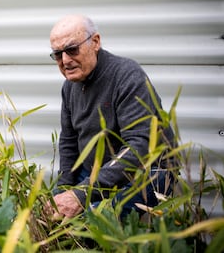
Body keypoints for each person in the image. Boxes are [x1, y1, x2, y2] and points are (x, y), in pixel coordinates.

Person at [47, 14, 177, 220]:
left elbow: (139, 146)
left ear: (95, 42)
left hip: (147, 172)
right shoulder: (69, 87)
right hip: (98, 171)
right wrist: (64, 188)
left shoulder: (126, 76)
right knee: (49, 209)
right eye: (57, 54)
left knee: (91, 220)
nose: (65, 60)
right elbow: (69, 141)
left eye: (72, 50)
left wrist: (81, 195)